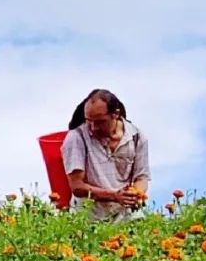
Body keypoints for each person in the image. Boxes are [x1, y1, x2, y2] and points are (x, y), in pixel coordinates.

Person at [62, 90, 149, 222]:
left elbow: (141, 177)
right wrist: (114, 196)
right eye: (89, 121)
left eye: (100, 122)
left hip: (125, 217)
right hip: (89, 219)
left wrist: (135, 194)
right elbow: (77, 186)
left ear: (116, 114)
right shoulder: (76, 137)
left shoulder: (137, 137)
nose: (93, 127)